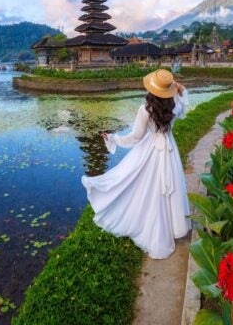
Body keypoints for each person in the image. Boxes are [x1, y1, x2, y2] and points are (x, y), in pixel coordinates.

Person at [81, 69, 191, 259]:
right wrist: (176, 86)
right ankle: (174, 227)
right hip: (169, 150)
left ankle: (155, 227)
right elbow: (184, 100)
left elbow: (136, 137)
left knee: (148, 186)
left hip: (152, 149)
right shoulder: (174, 105)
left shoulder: (146, 109)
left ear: (152, 89)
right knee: (170, 186)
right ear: (168, 90)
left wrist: (114, 138)